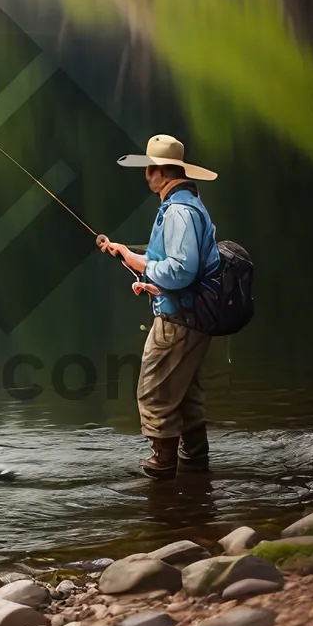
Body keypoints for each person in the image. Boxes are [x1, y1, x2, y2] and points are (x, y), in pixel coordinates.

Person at [98, 134, 220, 480]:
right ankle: (195, 466)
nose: (146, 174)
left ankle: (163, 464)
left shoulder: (179, 211)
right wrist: (133, 259)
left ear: (160, 172)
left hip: (179, 319)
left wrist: (144, 268)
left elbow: (181, 269)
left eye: (149, 168)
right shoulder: (187, 204)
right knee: (185, 395)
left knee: (154, 391)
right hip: (192, 314)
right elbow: (174, 265)